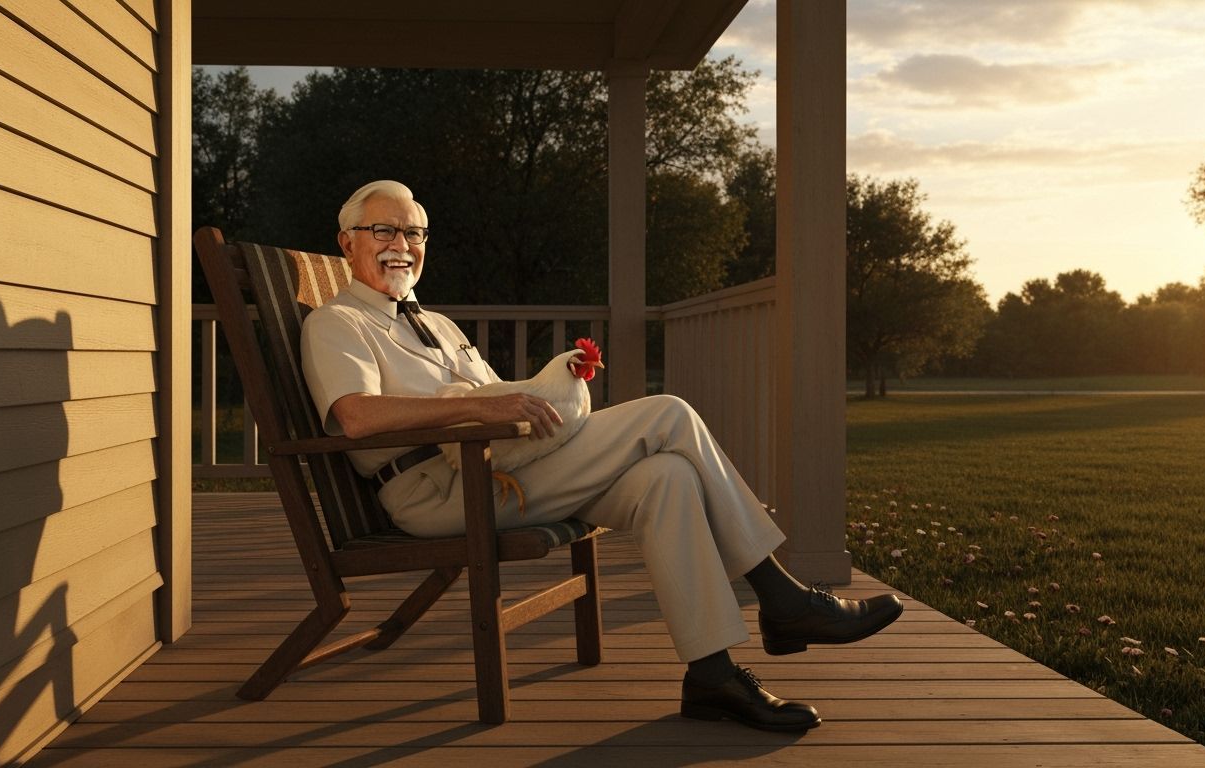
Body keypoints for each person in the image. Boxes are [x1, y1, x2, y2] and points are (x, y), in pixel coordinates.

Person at [300, 180, 904, 732]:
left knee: (665, 476)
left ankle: (712, 675)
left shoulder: (437, 322)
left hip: (498, 472)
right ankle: (782, 597)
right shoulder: (338, 323)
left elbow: (495, 400)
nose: (400, 245)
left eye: (413, 233)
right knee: (668, 413)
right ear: (347, 242)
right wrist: (481, 412)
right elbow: (356, 416)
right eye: (384, 230)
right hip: (434, 491)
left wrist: (523, 404)